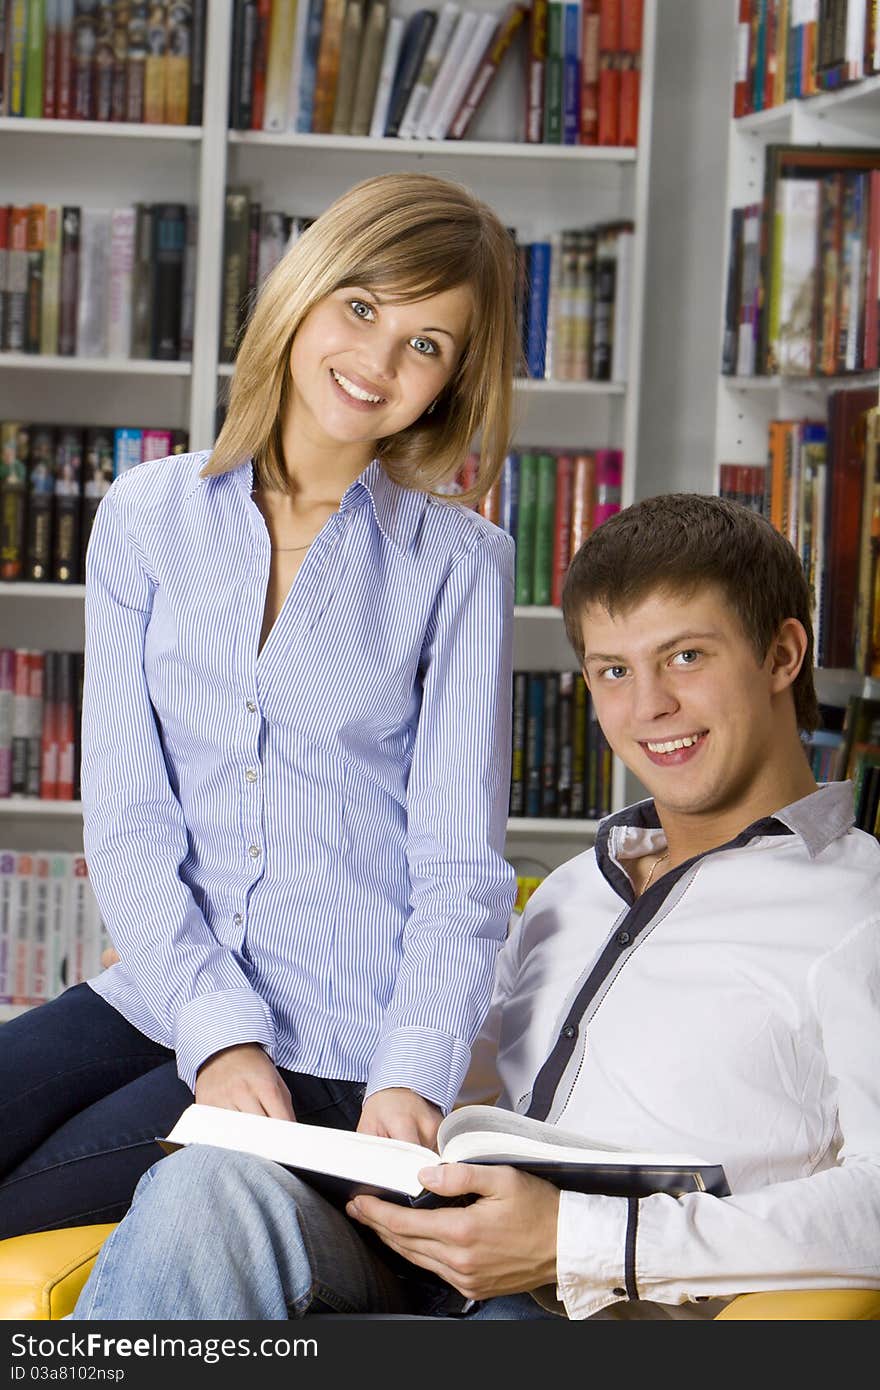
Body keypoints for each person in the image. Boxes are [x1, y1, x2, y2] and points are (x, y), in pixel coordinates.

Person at [70, 491, 880, 1321]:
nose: (648, 709)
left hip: (597, 1310)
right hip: (426, 1260)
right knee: (209, 1188)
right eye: (613, 671)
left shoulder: (858, 911)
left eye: (686, 658)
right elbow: (427, 1059)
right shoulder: (570, 894)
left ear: (782, 655)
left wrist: (578, 1238)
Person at [0, 172, 521, 1241]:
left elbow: (459, 864)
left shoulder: (460, 562)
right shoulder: (147, 516)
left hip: (331, 1048)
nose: (377, 362)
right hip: (158, 994)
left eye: (426, 344)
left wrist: (411, 1070)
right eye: (364, 307)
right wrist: (214, 1032)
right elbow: (133, 819)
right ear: (305, 292)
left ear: (452, 383)